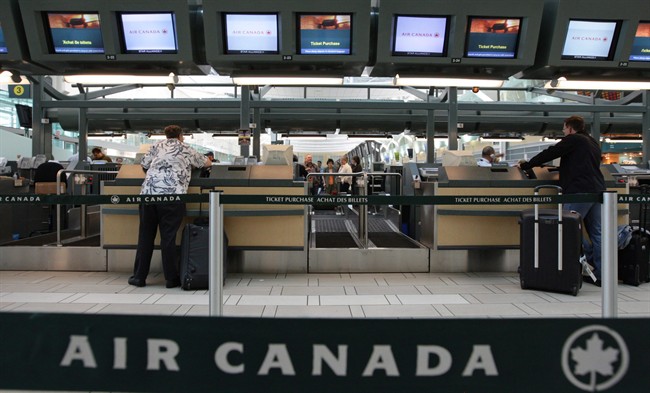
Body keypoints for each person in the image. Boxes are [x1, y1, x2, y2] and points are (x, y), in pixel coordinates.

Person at [517, 115, 606, 286]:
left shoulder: (573, 139)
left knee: (569, 228)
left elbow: (550, 152)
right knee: (597, 233)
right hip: (597, 190)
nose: (564, 132)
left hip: (578, 191)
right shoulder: (592, 142)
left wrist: (525, 165)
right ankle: (601, 274)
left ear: (571, 128)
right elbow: (581, 163)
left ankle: (585, 259)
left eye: (564, 128)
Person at [128, 125, 212, 288]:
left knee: (145, 237)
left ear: (166, 135)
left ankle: (139, 277)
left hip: (148, 195)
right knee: (168, 238)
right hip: (173, 196)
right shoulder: (185, 148)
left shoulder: (155, 146)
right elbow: (207, 163)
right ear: (181, 135)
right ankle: (171, 279)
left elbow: (144, 164)